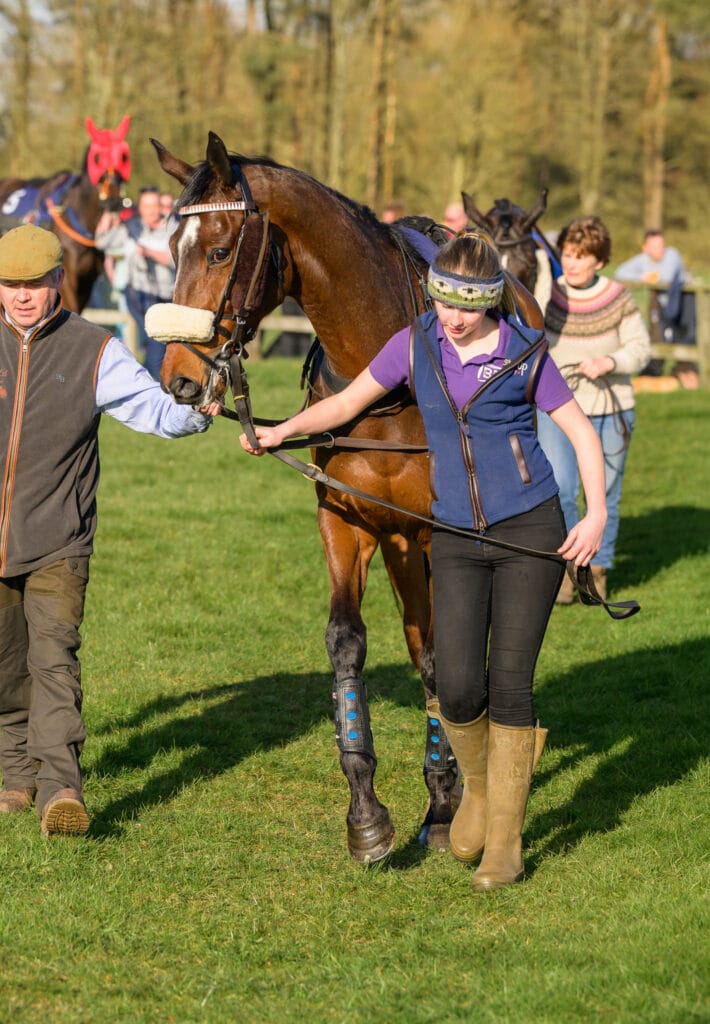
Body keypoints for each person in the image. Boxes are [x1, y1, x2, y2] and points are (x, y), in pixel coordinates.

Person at [240, 231, 607, 892]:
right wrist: (280, 431)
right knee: (459, 687)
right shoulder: (415, 344)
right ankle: (478, 795)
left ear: (490, 301)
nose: (453, 316)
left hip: (528, 527)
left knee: (510, 683)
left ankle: (506, 841)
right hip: (459, 535)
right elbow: (347, 404)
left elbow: (580, 430)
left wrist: (596, 515)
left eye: (466, 305)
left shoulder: (524, 353)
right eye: (443, 300)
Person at [0, 225, 219, 839]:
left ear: (58, 279)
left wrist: (198, 412)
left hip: (60, 539)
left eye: (34, 283)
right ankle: (17, 775)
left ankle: (61, 789)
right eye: (11, 284)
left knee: (53, 660)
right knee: (3, 664)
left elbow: (154, 411)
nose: (22, 296)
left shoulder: (94, 350)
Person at [537, 217, 650, 605]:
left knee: (605, 496)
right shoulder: (548, 294)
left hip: (610, 409)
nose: (572, 263)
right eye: (568, 254)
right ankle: (571, 569)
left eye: (581, 257)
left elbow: (640, 348)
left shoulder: (618, 297)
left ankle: (598, 572)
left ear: (599, 261)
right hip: (559, 413)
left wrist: (610, 361)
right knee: (563, 491)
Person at [95, 185, 175, 377]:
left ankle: (149, 385)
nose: (150, 211)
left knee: (162, 346)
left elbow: (175, 259)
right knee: (155, 343)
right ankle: (155, 387)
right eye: (146, 206)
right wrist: (109, 213)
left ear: (159, 206)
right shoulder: (130, 227)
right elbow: (101, 242)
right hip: (139, 294)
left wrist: (149, 253)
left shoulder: (172, 227)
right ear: (140, 207)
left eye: (154, 205)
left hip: (167, 296)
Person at [614, 229, 696, 388]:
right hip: (661, 306)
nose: (660, 249)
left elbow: (665, 277)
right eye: (655, 246)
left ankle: (686, 373)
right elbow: (620, 272)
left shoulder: (672, 255)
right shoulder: (643, 259)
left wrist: (649, 277)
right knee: (657, 337)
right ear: (645, 248)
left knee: (684, 339)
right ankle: (654, 374)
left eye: (661, 245)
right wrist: (641, 277)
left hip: (684, 305)